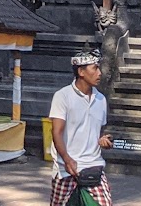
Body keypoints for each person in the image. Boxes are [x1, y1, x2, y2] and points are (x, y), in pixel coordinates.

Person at [48, 51, 114, 206]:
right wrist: (67, 159)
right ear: (81, 71)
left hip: (93, 166)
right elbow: (56, 132)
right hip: (67, 169)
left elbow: (99, 131)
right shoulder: (62, 96)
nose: (99, 73)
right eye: (95, 68)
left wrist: (104, 139)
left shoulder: (101, 99)